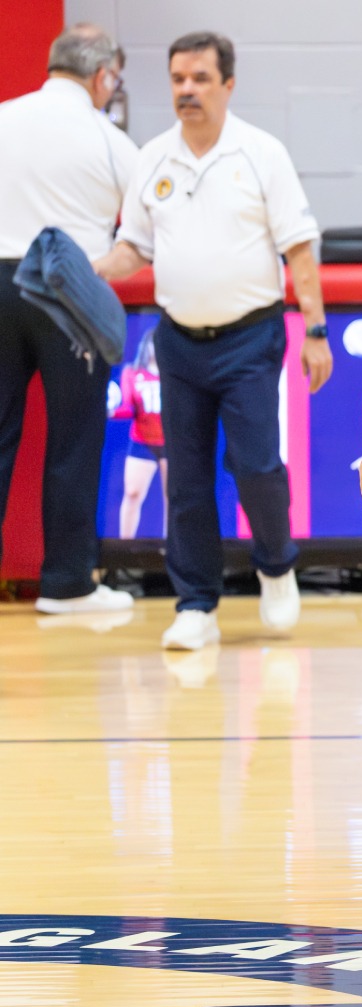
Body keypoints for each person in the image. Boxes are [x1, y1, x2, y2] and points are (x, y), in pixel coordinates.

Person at [94, 30, 330, 651]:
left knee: (254, 466)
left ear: (228, 84)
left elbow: (299, 248)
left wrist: (316, 331)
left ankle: (276, 566)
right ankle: (196, 604)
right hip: (178, 342)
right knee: (187, 478)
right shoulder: (153, 158)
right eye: (177, 80)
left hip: (250, 338)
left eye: (200, 78)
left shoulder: (261, 153)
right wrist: (91, 268)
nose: (187, 91)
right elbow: (133, 248)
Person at [0, 23, 138, 613]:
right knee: (75, 438)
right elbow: (145, 232)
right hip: (70, 286)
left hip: (0, 279)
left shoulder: (4, 117)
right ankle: (66, 583)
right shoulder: (109, 141)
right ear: (104, 75)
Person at [113, 330, 165, 538]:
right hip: (142, 441)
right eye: (153, 344)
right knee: (132, 493)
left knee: (174, 499)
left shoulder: (176, 374)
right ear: (146, 346)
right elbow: (126, 407)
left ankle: (174, 552)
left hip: (171, 442)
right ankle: (125, 547)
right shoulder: (132, 373)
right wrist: (111, 410)